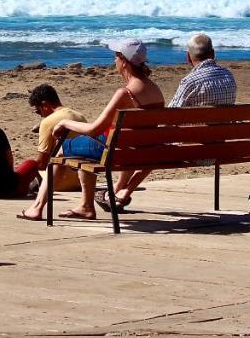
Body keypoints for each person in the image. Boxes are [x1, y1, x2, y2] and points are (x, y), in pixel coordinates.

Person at [101, 33, 237, 212]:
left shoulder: (190, 81)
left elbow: (166, 118)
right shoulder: (229, 77)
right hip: (220, 149)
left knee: (153, 143)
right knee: (157, 143)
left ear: (188, 57)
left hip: (192, 152)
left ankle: (121, 191)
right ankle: (121, 191)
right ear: (213, 54)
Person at [49, 39, 165, 220]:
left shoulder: (125, 93)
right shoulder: (155, 89)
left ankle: (81, 206)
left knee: (66, 148)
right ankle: (105, 196)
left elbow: (94, 129)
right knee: (92, 144)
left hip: (114, 152)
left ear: (124, 61)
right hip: (139, 152)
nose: (114, 62)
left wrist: (65, 123)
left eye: (116, 57)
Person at [16, 85, 87, 220]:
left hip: (61, 181)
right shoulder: (79, 115)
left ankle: (37, 206)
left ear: (45, 105)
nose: (40, 115)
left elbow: (42, 164)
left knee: (30, 165)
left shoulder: (48, 122)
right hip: (80, 179)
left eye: (38, 111)